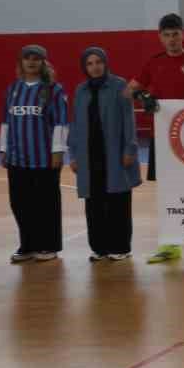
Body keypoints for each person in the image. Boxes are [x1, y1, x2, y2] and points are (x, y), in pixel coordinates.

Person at [134, 13, 184, 265]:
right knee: (168, 191)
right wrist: (141, 95)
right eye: (167, 35)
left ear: (183, 35)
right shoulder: (153, 63)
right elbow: (129, 90)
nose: (172, 39)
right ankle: (170, 244)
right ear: (160, 37)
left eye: (175, 34)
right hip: (163, 138)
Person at [69, 47, 141, 262]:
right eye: (90, 63)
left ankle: (120, 247)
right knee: (94, 202)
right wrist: (73, 154)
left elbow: (128, 119)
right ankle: (99, 248)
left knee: (118, 200)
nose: (95, 67)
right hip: (89, 154)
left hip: (114, 152)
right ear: (85, 67)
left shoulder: (119, 85)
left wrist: (130, 149)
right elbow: (75, 123)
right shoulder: (80, 90)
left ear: (105, 63)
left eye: (98, 62)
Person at [1, 45, 68, 264]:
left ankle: (48, 245)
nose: (31, 62)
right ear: (21, 62)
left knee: (46, 205)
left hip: (44, 159)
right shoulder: (13, 89)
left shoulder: (53, 90)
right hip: (17, 158)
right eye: (27, 58)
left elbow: (60, 123)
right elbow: (6, 122)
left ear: (43, 62)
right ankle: (28, 245)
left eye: (36, 59)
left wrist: (58, 151)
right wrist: (3, 149)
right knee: (20, 203)